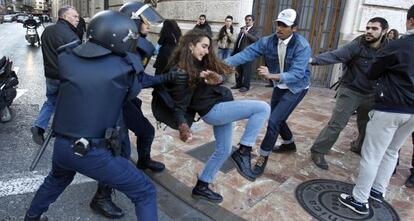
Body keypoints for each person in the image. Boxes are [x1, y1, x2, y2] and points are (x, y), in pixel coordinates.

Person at [23, 10, 162, 221]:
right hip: (92, 151)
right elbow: (132, 91)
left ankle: (32, 217)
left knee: (57, 180)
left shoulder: (68, 57)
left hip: (62, 146)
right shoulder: (123, 68)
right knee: (145, 193)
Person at [160, 29, 270, 202]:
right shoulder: (181, 71)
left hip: (220, 105)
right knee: (262, 108)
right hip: (214, 111)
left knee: (223, 150)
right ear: (190, 45)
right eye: (203, 46)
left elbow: (216, 80)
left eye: (208, 47)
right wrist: (183, 127)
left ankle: (201, 186)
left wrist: (216, 78)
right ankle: (244, 151)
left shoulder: (200, 62)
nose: (206, 51)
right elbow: (179, 106)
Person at [338, 4, 414, 215]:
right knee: (392, 151)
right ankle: (378, 191)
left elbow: (372, 73)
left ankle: (359, 200)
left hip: (391, 106)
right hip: (413, 112)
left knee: (372, 154)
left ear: (410, 21)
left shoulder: (398, 45)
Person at [225, 8, 311, 178]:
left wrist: (272, 76)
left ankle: (262, 157)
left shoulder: (302, 46)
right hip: (279, 85)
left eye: (284, 25)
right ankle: (289, 143)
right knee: (278, 117)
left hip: (297, 87)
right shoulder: (268, 41)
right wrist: (222, 63)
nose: (279, 28)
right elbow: (247, 53)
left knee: (273, 121)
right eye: (278, 24)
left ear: (294, 28)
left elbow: (297, 74)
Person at [309, 17, 389, 170]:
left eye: (374, 29)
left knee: (367, 125)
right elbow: (336, 55)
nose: (369, 31)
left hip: (372, 93)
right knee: (337, 123)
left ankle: (359, 146)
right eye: (368, 28)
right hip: (351, 90)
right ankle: (318, 151)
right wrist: (313, 60)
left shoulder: (389, 48)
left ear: (384, 31)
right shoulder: (357, 45)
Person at [119, 1, 167, 175]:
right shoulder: (131, 47)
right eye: (144, 20)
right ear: (134, 22)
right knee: (121, 149)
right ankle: (103, 196)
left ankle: (143, 161)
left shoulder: (132, 44)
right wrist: (165, 78)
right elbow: (138, 81)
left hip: (124, 99)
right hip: (116, 103)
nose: (148, 24)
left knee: (145, 132)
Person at [30, 6, 79, 146]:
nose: (78, 19)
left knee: (51, 101)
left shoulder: (47, 31)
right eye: (75, 16)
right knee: (72, 104)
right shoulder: (70, 35)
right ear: (65, 16)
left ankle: (39, 126)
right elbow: (77, 59)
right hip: (65, 77)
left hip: (50, 75)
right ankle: (67, 134)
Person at [230, 15, 259, 92]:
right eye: (246, 20)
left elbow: (256, 40)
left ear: (253, 21)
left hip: (248, 54)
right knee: (238, 69)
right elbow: (238, 41)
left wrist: (246, 33)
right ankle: (238, 84)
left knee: (246, 71)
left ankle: (246, 86)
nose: (247, 21)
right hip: (239, 53)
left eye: (249, 20)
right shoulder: (242, 29)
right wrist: (234, 52)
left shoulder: (255, 30)